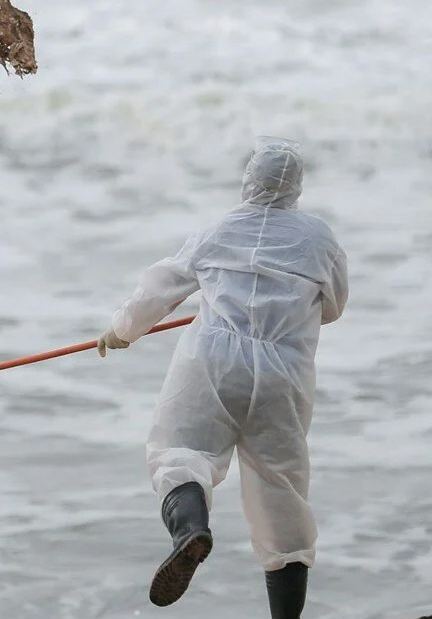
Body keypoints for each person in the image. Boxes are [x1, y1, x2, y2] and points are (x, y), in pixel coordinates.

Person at [97, 136, 348, 618]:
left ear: (248, 181)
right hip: (283, 373)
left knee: (179, 452)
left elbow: (160, 288)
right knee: (281, 494)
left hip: (211, 360)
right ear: (296, 187)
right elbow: (333, 308)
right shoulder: (320, 239)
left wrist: (122, 329)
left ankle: (190, 530)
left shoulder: (218, 230)